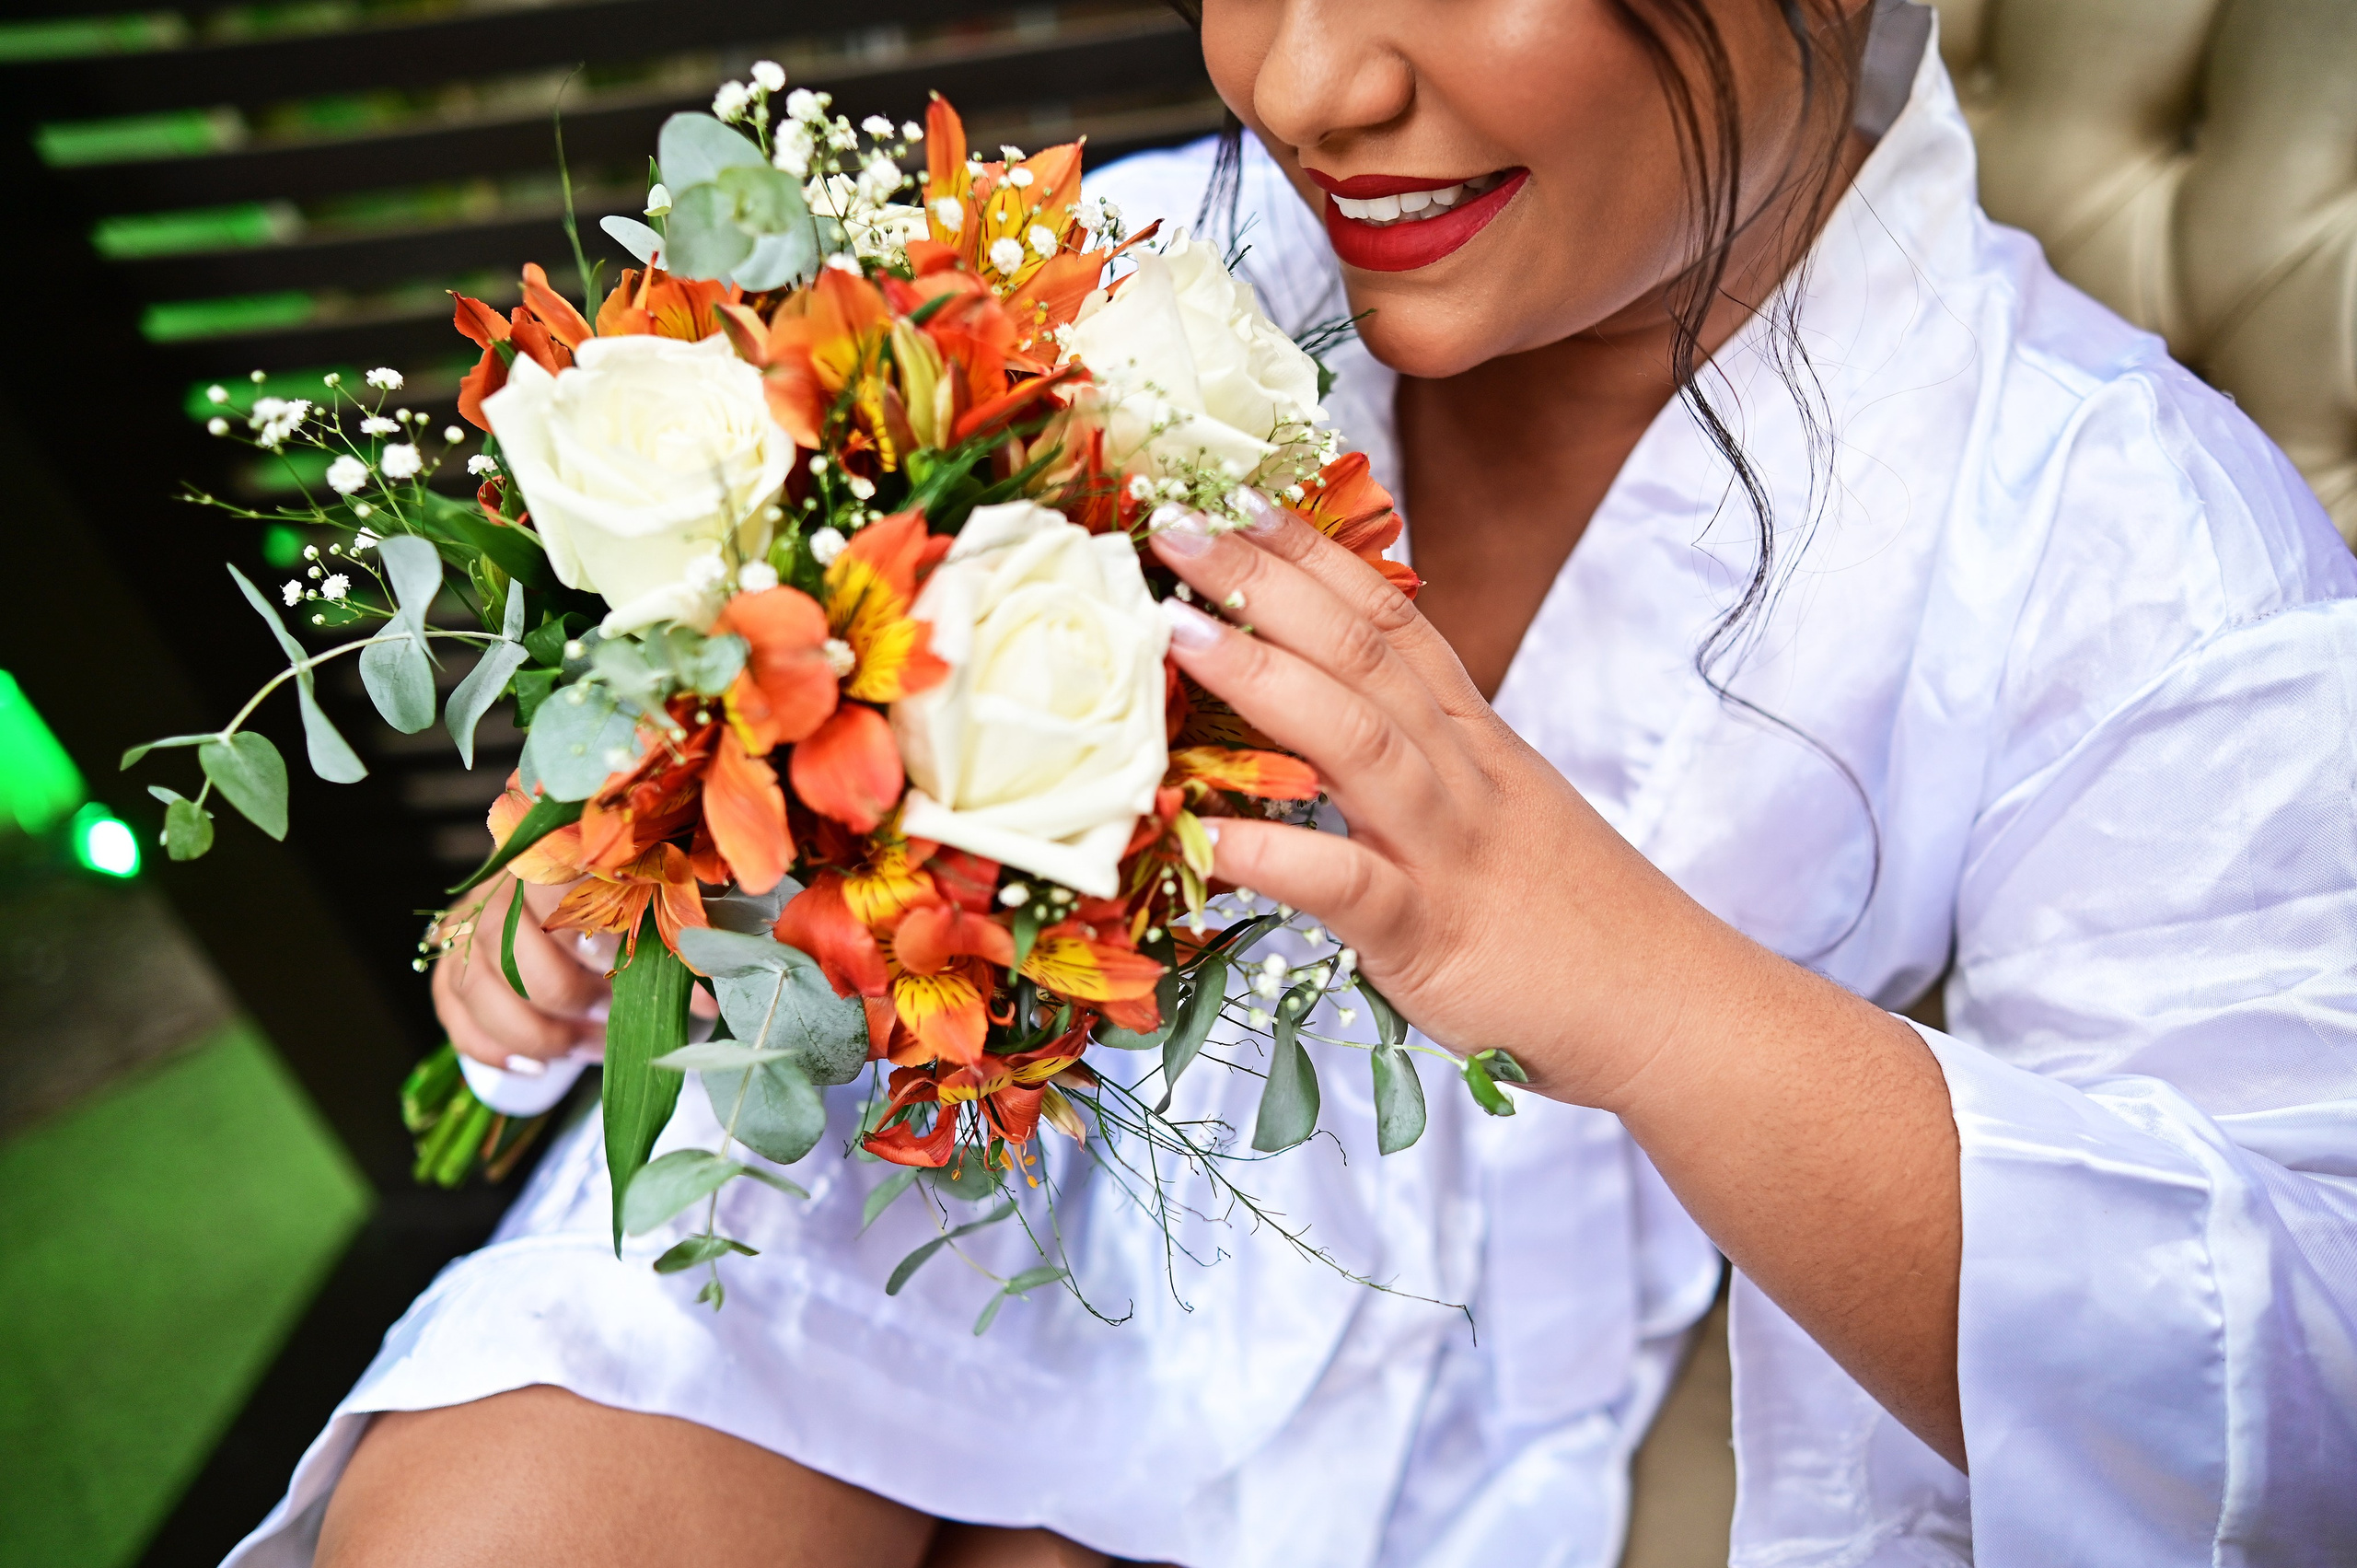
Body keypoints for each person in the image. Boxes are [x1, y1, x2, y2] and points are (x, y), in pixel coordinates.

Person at [231, 0, 2357, 1563]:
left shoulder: (2130, 551)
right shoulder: (1099, 288)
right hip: (905, 1186)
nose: (1304, 81)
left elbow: (2292, 1390)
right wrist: (615, 834)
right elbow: (758, 717)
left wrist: (1625, 980)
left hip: (1423, 1357)